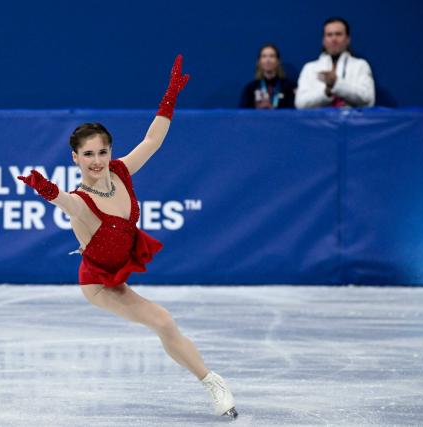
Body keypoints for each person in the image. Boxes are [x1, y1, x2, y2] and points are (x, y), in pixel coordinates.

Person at [17, 55, 238, 420]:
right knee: (163, 321)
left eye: (102, 151)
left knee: (164, 323)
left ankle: (210, 381)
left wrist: (169, 97)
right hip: (101, 283)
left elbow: (152, 140)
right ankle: (213, 382)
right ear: (75, 158)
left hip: (123, 260)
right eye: (88, 154)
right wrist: (46, 190)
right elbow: (67, 204)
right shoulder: (83, 201)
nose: (97, 160)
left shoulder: (121, 171)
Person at [295, 17, 375, 109]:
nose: (334, 39)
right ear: (323, 40)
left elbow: (369, 100)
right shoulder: (310, 68)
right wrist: (326, 93)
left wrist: (337, 84)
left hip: (351, 122)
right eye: (329, 35)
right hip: (319, 123)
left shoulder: (360, 65)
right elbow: (300, 104)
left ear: (348, 39)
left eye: (338, 34)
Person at [240, 43, 296, 109]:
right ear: (259, 61)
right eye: (264, 56)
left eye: (272, 56)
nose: (268, 60)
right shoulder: (251, 88)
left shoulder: (289, 86)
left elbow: (294, 111)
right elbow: (242, 113)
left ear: (278, 61)